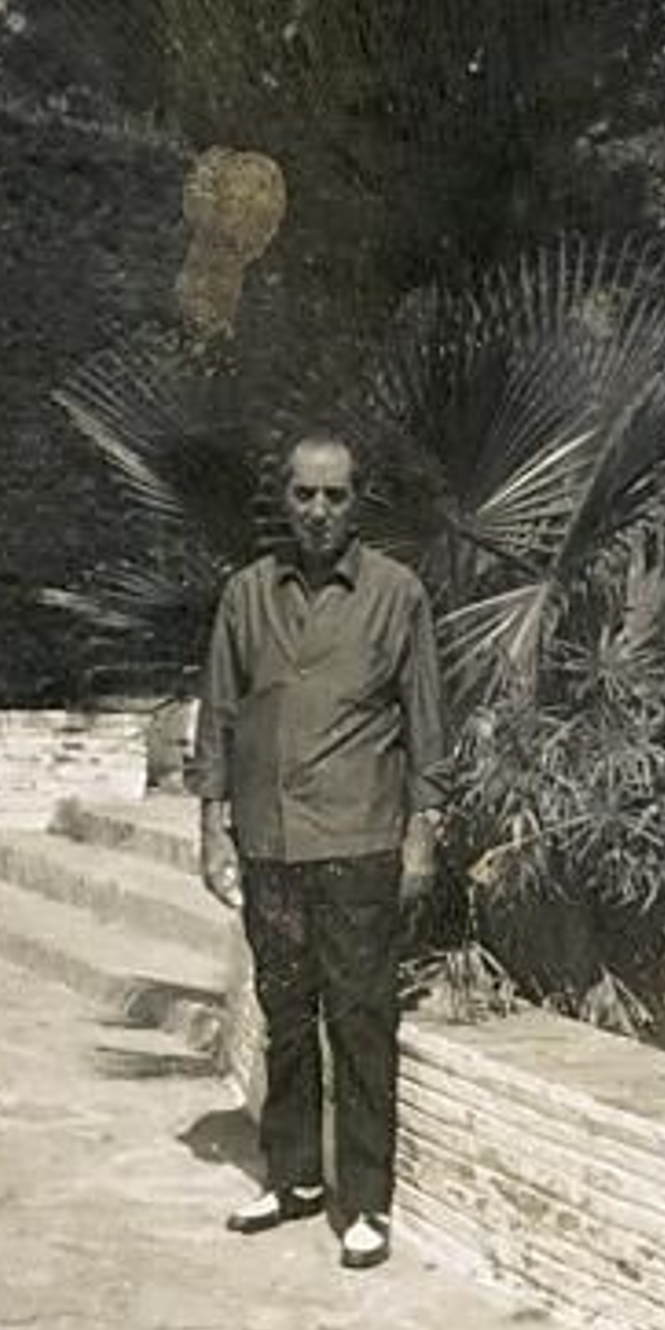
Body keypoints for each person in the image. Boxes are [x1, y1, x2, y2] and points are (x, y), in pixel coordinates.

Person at [190, 430, 446, 1271]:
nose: (320, 510)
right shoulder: (245, 596)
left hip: (360, 840)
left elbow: (425, 725)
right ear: (284, 498)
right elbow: (220, 714)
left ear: (358, 501)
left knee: (360, 1020)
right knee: (286, 1016)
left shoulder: (396, 594)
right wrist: (211, 828)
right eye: (305, 493)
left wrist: (420, 833)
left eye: (335, 495)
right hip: (269, 842)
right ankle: (293, 1175)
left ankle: (364, 1200)